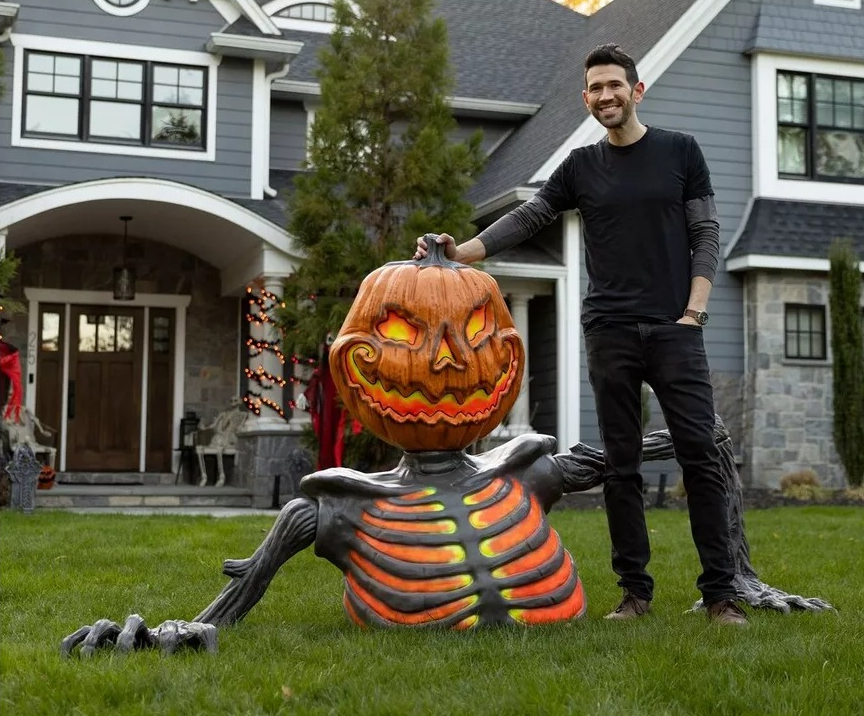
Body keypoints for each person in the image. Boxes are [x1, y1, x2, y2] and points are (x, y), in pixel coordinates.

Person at [414, 44, 747, 626]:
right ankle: (635, 594)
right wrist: (456, 254)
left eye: (614, 85)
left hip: (675, 331)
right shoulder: (579, 167)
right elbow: (530, 217)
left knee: (699, 456)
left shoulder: (680, 151)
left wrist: (693, 314)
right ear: (586, 98)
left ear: (636, 90)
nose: (605, 96)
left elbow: (707, 233)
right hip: (609, 331)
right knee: (621, 466)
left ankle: (721, 594)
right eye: (594, 88)